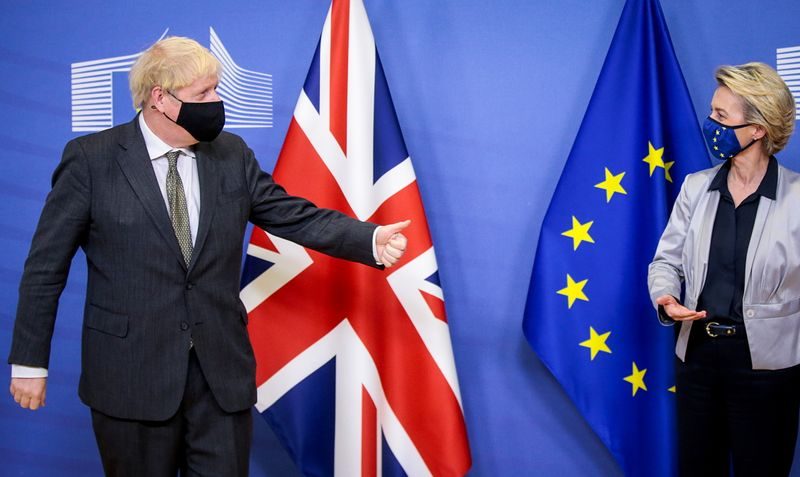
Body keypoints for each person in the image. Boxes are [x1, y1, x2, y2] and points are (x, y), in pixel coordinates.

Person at [7, 36, 410, 476]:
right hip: (130, 377)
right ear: (160, 98)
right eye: (203, 93)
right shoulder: (91, 160)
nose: (216, 102)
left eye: (216, 89)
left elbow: (292, 215)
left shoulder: (231, 154)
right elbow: (45, 268)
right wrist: (30, 361)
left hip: (219, 378)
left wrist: (367, 238)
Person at [649, 62, 799, 476]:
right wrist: (666, 298)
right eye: (712, 111)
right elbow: (665, 261)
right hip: (697, 359)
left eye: (721, 115)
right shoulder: (696, 187)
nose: (710, 123)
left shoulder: (796, 198)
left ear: (758, 129)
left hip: (768, 370)